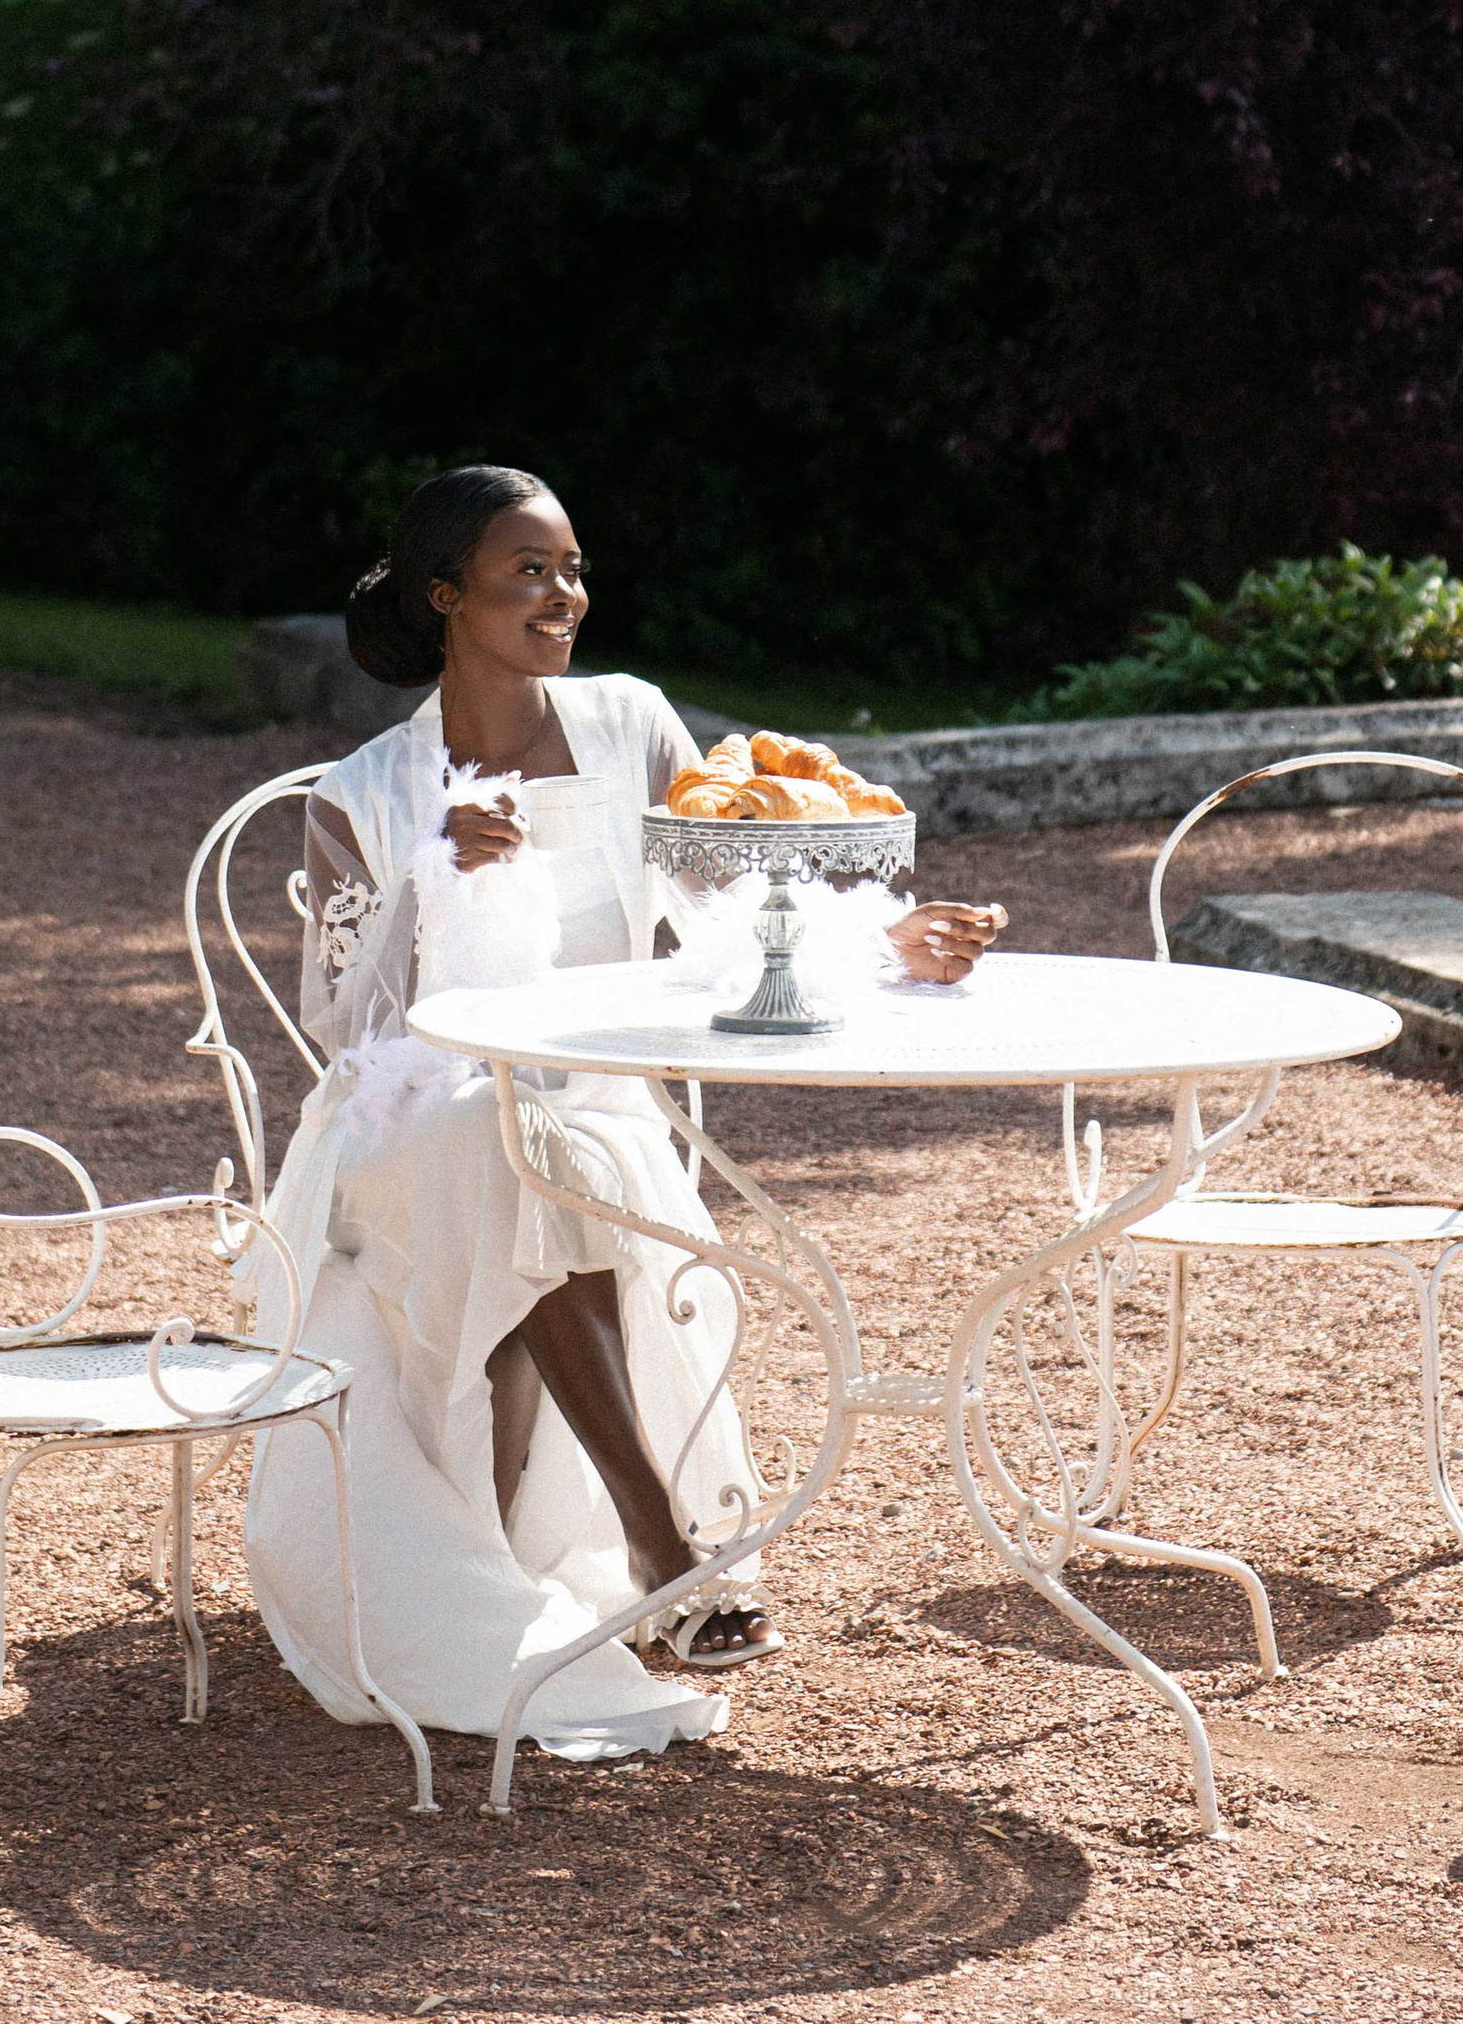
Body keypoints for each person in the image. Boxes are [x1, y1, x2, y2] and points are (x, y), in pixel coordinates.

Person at [241, 462, 1004, 1759]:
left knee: (543, 1148)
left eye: (572, 568)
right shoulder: (363, 794)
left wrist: (890, 945)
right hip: (404, 1127)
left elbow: (728, 925)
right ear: (445, 596)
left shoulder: (627, 724)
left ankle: (627, 1547)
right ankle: (662, 1541)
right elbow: (347, 1036)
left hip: (587, 1117)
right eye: (528, 571)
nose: (565, 595)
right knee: (504, 1138)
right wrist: (433, 869)